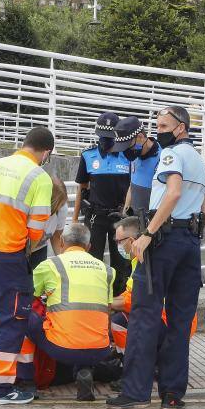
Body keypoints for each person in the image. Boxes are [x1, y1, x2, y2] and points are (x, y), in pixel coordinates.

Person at [107, 106, 205, 409]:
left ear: (180, 128)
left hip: (164, 240)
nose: (158, 129)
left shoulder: (172, 154)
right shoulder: (200, 161)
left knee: (143, 315)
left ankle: (135, 391)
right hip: (190, 243)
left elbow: (173, 192)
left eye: (163, 124)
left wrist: (149, 233)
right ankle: (173, 395)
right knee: (179, 321)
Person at [0, 127, 54, 405]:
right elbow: (37, 228)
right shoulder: (40, 177)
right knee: (12, 318)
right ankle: (1, 388)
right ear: (46, 153)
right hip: (10, 256)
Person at [28, 223, 115, 401]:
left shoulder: (50, 265)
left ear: (61, 242)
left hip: (62, 349)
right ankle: (85, 369)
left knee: (23, 313)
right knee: (87, 325)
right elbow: (108, 312)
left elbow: (29, 296)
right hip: (100, 349)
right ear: (89, 246)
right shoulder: (107, 270)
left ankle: (26, 379)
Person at [110, 216, 198, 357]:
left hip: (169, 323)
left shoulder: (148, 262)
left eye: (119, 242)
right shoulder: (142, 259)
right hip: (171, 321)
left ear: (132, 241)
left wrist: (103, 303)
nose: (118, 246)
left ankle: (129, 364)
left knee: (118, 321)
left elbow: (133, 301)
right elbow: (128, 294)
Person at [72, 112, 131, 296]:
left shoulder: (128, 157)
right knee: (92, 259)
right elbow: (82, 189)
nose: (106, 140)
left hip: (120, 218)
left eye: (110, 135)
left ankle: (119, 301)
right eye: (103, 136)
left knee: (121, 261)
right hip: (95, 216)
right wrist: (74, 219)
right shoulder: (88, 156)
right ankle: (93, 297)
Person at [110, 116, 162, 216]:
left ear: (140, 137)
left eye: (127, 146)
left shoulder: (163, 157)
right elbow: (132, 185)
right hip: (135, 219)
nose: (125, 151)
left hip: (153, 221)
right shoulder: (135, 154)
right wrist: (125, 214)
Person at [28, 177, 69, 270]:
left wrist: (63, 262)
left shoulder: (62, 208)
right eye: (59, 204)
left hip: (40, 249)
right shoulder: (33, 207)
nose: (61, 207)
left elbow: (56, 236)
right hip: (20, 250)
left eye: (62, 204)